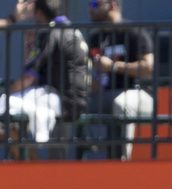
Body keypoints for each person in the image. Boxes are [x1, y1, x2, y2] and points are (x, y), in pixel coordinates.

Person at [0, 0, 89, 146]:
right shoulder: (70, 28)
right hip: (74, 100)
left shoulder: (53, 32)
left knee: (5, 103)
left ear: (39, 12)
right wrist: (30, 46)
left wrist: (8, 93)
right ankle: (28, 160)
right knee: (11, 122)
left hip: (62, 101)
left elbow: (29, 77)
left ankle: (28, 161)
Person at [86, 0, 154, 160]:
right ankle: (77, 161)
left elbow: (147, 67)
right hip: (105, 93)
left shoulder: (133, 32)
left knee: (121, 103)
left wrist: (114, 66)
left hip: (137, 93)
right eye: (89, 4)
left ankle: (121, 162)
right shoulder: (95, 37)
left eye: (95, 4)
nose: (91, 9)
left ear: (113, 5)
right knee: (76, 105)